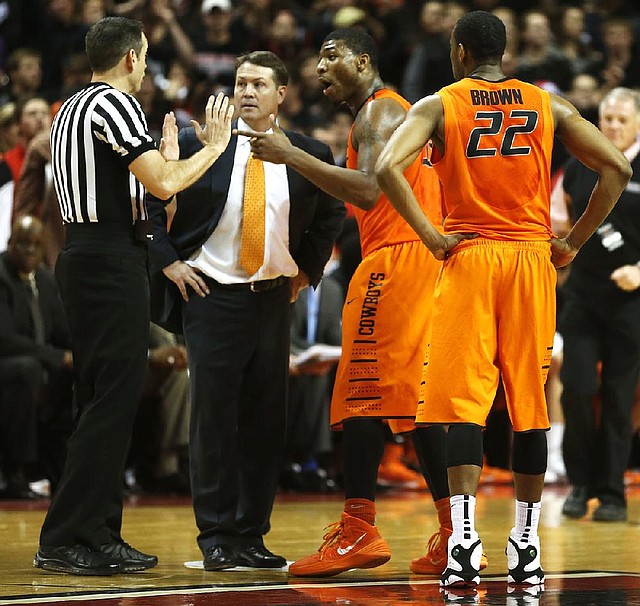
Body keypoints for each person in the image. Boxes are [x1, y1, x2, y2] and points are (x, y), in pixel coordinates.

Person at [375, 10, 631, 588]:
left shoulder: (441, 104)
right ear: (504, 53)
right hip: (531, 261)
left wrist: (431, 235)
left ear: (461, 52)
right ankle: (527, 543)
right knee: (529, 403)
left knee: (463, 402)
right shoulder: (548, 106)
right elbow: (615, 166)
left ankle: (464, 543)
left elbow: (387, 165)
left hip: (468, 255)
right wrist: (571, 243)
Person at [235, 28, 462, 578]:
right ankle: (454, 535)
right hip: (424, 265)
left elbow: (367, 191)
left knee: (362, 391)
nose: (321, 69)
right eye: (318, 60)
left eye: (332, 58)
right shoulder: (402, 111)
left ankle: (358, 529)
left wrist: (292, 154)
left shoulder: (379, 115)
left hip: (396, 262)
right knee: (416, 408)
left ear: (364, 61)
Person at [34, 15, 235, 577]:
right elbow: (166, 186)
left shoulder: (71, 109)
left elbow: (156, 201)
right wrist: (213, 148)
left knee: (102, 401)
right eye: (145, 55)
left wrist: (169, 160)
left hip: (91, 254)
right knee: (111, 402)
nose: (146, 66)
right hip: (106, 261)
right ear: (130, 58)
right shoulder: (114, 104)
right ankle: (65, 536)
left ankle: (98, 532)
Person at [146, 50, 345, 572]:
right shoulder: (199, 142)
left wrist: (307, 270)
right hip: (211, 296)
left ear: (283, 94)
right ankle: (215, 534)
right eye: (240, 83)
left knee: (265, 422)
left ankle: (251, 534)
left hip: (273, 298)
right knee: (213, 420)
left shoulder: (307, 151)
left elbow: (332, 212)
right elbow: (146, 199)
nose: (247, 92)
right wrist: (167, 261)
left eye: (259, 83)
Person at [558, 87, 640, 523]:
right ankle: (580, 484)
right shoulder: (580, 163)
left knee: (617, 397)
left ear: (638, 122)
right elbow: (558, 217)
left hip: (631, 302)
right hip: (583, 297)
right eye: (607, 119)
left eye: (621, 120)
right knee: (577, 389)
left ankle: (612, 493)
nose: (612, 127)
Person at [0, 215, 72, 499]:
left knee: (81, 372)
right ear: (10, 243)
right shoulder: (0, 276)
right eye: (23, 243)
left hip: (39, 362)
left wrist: (79, 355)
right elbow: (4, 339)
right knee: (27, 370)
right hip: (9, 362)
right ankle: (17, 471)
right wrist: (57, 357)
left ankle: (64, 472)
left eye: (36, 245)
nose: (29, 251)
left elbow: (63, 333)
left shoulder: (45, 279)